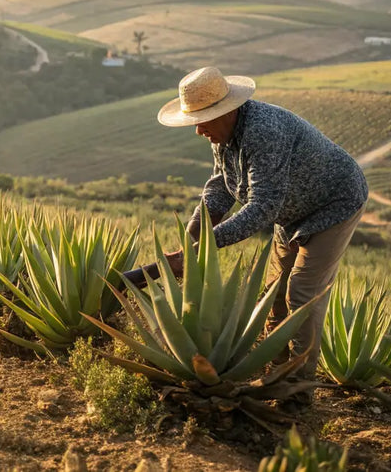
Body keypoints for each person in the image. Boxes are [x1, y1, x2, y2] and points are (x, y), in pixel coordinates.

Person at [122, 66, 367, 380]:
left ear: (227, 111)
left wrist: (206, 246)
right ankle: (276, 368)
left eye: (201, 122)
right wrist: (195, 233)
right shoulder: (224, 132)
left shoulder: (264, 131)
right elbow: (222, 184)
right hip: (290, 211)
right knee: (273, 294)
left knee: (301, 293)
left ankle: (297, 387)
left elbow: (263, 206)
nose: (198, 131)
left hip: (332, 204)